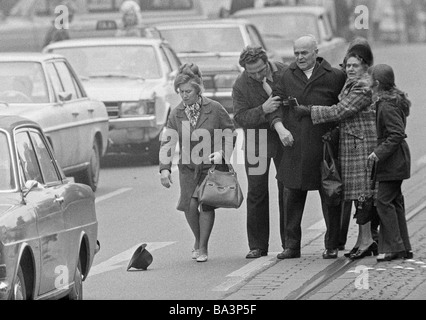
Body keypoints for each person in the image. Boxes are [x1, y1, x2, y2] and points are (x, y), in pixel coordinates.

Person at [294, 40, 380, 260]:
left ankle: (367, 239)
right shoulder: (351, 84)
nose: (350, 69)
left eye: (355, 66)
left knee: (363, 196)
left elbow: (341, 110)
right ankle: (363, 240)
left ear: (365, 67)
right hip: (351, 146)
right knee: (359, 196)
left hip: (361, 147)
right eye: (348, 65)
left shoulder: (363, 87)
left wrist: (310, 111)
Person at [268, 35, 346, 260]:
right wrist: (280, 128)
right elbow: (275, 106)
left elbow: (345, 109)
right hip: (294, 147)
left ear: (315, 52)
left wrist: (336, 134)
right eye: (296, 53)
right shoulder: (285, 76)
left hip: (324, 148)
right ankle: (292, 246)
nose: (300, 57)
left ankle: (332, 244)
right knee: (291, 195)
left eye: (304, 53)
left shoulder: (335, 77)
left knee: (330, 196)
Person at [159, 63, 236, 263]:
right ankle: (197, 239)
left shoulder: (215, 108)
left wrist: (222, 154)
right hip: (187, 168)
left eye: (188, 91)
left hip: (210, 168)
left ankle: (202, 247)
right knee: (189, 206)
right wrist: (164, 169)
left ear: (198, 89)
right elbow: (168, 142)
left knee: (206, 205)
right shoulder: (176, 113)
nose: (184, 95)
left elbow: (230, 133)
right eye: (180, 92)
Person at [232, 46, 288, 259]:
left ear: (267, 62)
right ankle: (257, 245)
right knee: (256, 192)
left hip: (283, 137)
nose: (257, 75)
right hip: (257, 140)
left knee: (287, 188)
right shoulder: (240, 84)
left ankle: (289, 243)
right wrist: (263, 110)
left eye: (261, 70)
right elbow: (239, 117)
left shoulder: (283, 72)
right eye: (251, 72)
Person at [367, 64, 413, 262]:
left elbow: (396, 134)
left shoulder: (386, 105)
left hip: (392, 162)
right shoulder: (392, 100)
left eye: (370, 80)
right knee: (395, 202)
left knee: (383, 202)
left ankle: (395, 247)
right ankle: (403, 247)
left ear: (377, 83)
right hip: (396, 161)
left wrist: (378, 153)